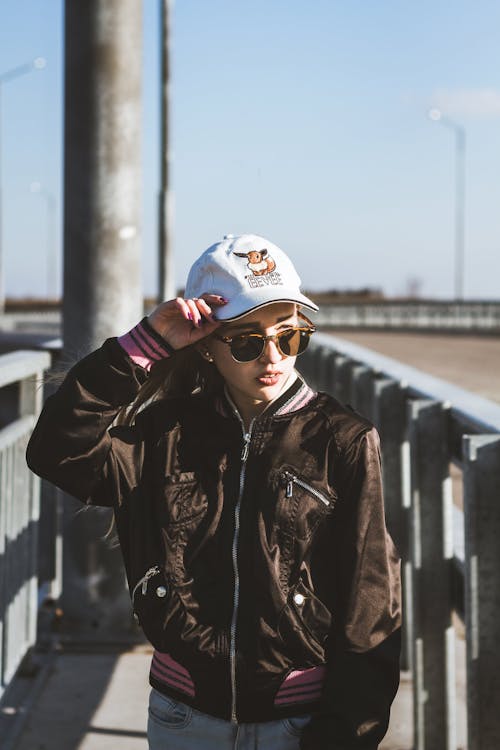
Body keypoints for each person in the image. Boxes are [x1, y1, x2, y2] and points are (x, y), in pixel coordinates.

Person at [27, 234, 401, 749]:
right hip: (184, 716)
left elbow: (371, 599)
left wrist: (345, 734)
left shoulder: (344, 440)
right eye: (247, 341)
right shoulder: (165, 434)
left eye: (289, 337)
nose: (272, 357)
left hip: (298, 719)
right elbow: (58, 451)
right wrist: (143, 345)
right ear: (206, 345)